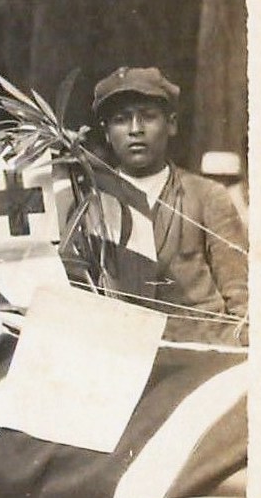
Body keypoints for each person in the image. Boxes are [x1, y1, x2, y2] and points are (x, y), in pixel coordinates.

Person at [74, 67, 249, 344]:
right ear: (106, 133)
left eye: (148, 116)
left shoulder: (206, 196)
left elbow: (241, 294)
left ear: (171, 124)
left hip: (201, 351)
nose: (135, 130)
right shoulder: (91, 203)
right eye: (121, 119)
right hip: (124, 350)